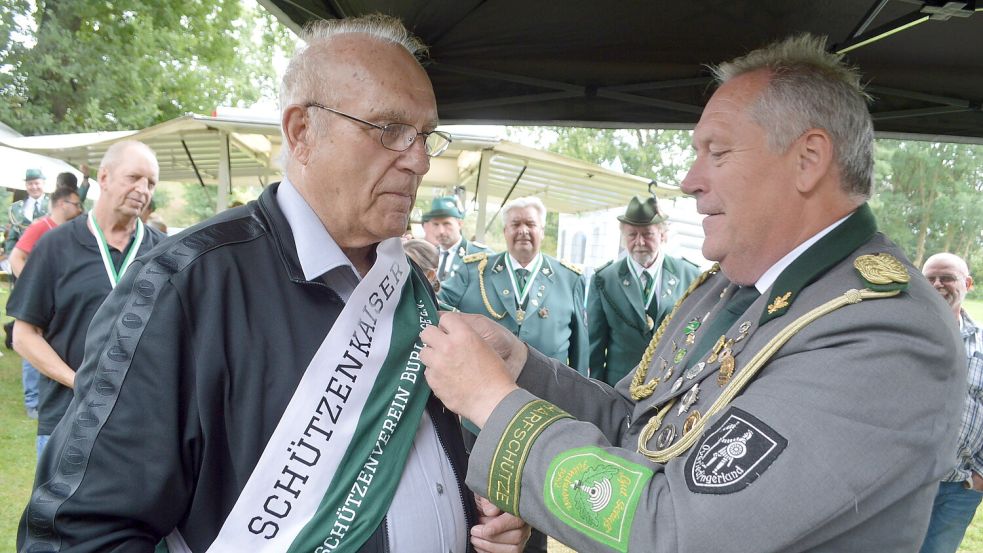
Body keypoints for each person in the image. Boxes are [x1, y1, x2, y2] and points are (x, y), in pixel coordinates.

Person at [419, 33, 965, 552]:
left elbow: (680, 531)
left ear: (808, 160)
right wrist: (519, 367)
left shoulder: (884, 332)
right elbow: (639, 427)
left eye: (717, 153)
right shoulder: (728, 288)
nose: (689, 179)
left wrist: (492, 401)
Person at [17, 15, 527, 553]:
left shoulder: (406, 285)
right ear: (302, 133)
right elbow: (82, 533)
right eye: (389, 130)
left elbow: (419, 456)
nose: (420, 160)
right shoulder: (185, 286)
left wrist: (482, 513)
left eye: (426, 136)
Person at [8, 140, 166, 460]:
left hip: (139, 425)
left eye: (150, 183)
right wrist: (79, 382)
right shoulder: (56, 245)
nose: (142, 189)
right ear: (104, 178)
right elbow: (24, 336)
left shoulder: (166, 253)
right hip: (68, 421)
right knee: (61, 512)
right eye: (133, 177)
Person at [439, 196, 588, 374]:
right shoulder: (473, 271)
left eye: (530, 224)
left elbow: (581, 349)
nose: (523, 230)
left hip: (549, 390)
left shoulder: (569, 279)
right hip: (483, 385)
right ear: (505, 231)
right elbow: (438, 306)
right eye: (515, 224)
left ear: (542, 231)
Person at [587, 195, 699, 386]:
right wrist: (596, 392)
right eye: (632, 235)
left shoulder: (690, 275)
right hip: (620, 386)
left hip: (670, 384)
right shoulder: (604, 279)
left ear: (662, 235)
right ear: (624, 238)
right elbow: (595, 347)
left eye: (647, 234)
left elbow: (695, 336)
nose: (639, 242)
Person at [919, 253, 983, 553]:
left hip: (960, 488)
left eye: (947, 277)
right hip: (905, 482)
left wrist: (979, 478)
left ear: (967, 283)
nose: (937, 284)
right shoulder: (900, 335)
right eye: (930, 278)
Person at [8, 187, 84, 277]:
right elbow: (15, 258)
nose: (80, 209)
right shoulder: (40, 227)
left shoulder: (72, 230)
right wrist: (31, 284)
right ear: (63, 204)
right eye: (76, 205)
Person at [422, 195, 492, 282]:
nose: (441, 231)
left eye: (446, 224)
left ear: (459, 224)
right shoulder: (429, 255)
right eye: (436, 224)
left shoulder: (479, 255)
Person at [5, 168, 50, 256]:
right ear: (25, 185)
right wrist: (11, 257)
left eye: (37, 183)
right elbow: (12, 237)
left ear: (43, 183)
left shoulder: (54, 204)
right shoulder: (15, 208)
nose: (34, 187)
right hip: (23, 260)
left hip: (48, 257)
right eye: (30, 184)